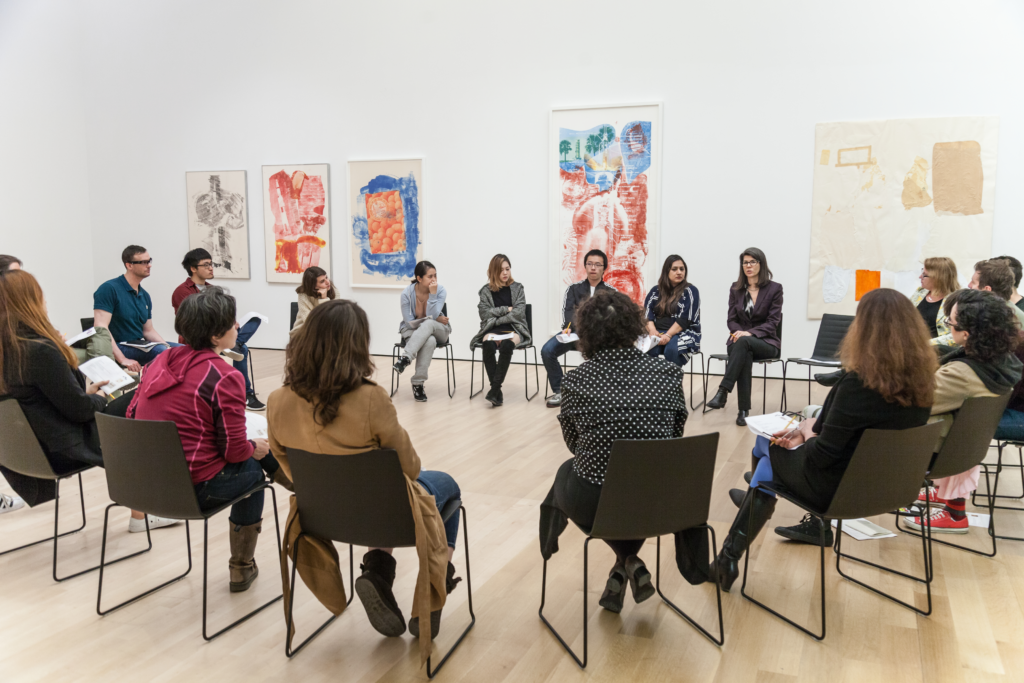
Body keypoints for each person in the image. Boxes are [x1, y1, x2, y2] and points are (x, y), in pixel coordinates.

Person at [267, 299, 463, 655]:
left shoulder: (277, 400)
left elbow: (287, 467)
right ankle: (433, 589)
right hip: (388, 516)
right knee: (446, 486)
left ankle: (377, 571)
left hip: (321, 519)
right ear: (357, 344)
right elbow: (411, 469)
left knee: (374, 490)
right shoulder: (370, 399)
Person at [715, 289, 935, 579]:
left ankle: (729, 556)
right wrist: (809, 432)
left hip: (838, 490)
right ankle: (744, 526)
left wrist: (806, 431)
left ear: (863, 329)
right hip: (890, 487)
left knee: (768, 446)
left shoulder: (856, 385)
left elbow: (821, 456)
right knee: (778, 446)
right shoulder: (924, 383)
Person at [127, 287, 292, 592]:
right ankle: (241, 567)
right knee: (254, 469)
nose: (238, 327)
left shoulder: (154, 365)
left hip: (144, 487)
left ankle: (302, 487)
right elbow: (233, 451)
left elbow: (131, 414)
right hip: (193, 491)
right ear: (216, 336)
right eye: (232, 322)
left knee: (255, 451)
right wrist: (253, 448)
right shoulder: (225, 376)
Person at [539, 290, 688, 613]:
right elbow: (675, 438)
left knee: (570, 470)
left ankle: (624, 561)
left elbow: (576, 447)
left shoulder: (576, 381)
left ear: (587, 335)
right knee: (636, 480)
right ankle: (628, 562)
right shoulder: (668, 374)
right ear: (634, 328)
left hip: (598, 503)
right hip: (660, 501)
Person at [0, 270, 174, 531]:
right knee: (136, 402)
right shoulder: (40, 351)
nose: (45, 302)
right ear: (30, 301)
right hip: (62, 449)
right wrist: (101, 396)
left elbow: (37, 401)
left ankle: (145, 507)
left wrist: (85, 394)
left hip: (25, 453)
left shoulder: (10, 348)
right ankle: (144, 512)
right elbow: (81, 411)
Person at [903, 290, 1022, 533]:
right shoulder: (1002, 361)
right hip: (965, 449)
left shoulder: (963, 373)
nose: (948, 326)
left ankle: (953, 514)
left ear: (966, 333)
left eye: (950, 323)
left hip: (939, 452)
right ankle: (949, 500)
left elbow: (915, 405)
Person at [172, 248, 264, 410]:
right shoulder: (182, 291)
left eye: (211, 264)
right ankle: (246, 393)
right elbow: (193, 321)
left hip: (219, 334)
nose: (211, 268)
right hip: (199, 339)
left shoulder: (213, 289)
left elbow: (221, 314)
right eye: (206, 265)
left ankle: (236, 343)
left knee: (255, 320)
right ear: (193, 268)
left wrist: (231, 322)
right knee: (242, 349)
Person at [706, 248, 783, 426]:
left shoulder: (774, 289)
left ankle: (723, 391)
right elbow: (731, 320)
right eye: (745, 263)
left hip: (766, 342)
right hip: (740, 342)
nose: (748, 266)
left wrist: (749, 333)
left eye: (752, 262)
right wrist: (740, 333)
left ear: (761, 264)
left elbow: (773, 322)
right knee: (744, 350)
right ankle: (743, 412)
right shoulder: (736, 288)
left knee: (744, 342)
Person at [543, 249, 616, 408]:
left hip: (598, 338)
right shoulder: (574, 289)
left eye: (598, 264)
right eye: (590, 264)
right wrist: (574, 327)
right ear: (585, 266)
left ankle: (600, 393)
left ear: (604, 268)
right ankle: (561, 391)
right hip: (573, 334)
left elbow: (609, 318)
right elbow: (568, 312)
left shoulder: (611, 292)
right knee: (547, 350)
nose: (593, 268)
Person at [93, 245, 180, 373]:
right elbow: (101, 328)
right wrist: (122, 359)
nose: (149, 265)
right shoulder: (109, 289)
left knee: (184, 350)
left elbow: (148, 331)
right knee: (161, 351)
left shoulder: (144, 295)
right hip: (120, 346)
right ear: (129, 265)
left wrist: (168, 347)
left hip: (140, 344)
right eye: (144, 262)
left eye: (149, 261)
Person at [469, 254, 532, 407]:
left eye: (507, 269)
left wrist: (497, 317)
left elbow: (518, 313)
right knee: (488, 346)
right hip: (492, 330)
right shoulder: (485, 291)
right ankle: (496, 393)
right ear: (493, 271)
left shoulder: (518, 288)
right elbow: (484, 313)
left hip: (514, 328)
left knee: (507, 346)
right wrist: (506, 310)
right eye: (501, 270)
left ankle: (495, 389)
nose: (505, 273)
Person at [393, 261, 451, 402]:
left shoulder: (440, 290)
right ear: (419, 278)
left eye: (435, 276)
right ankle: (418, 384)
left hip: (440, 331)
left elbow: (432, 314)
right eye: (430, 276)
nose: (434, 280)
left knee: (430, 323)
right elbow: (409, 322)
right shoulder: (406, 294)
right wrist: (433, 319)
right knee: (429, 340)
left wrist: (432, 295)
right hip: (412, 331)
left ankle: (406, 358)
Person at [643, 254, 701, 368]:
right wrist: (652, 330)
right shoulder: (655, 291)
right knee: (647, 350)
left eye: (682, 269)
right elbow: (646, 313)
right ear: (666, 271)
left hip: (683, 332)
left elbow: (685, 320)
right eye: (674, 269)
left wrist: (668, 335)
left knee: (672, 350)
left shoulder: (690, 291)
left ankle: (672, 383)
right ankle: (653, 382)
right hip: (658, 332)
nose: (679, 272)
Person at [909, 257, 959, 340]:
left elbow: (956, 337)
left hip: (939, 350)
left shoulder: (957, 300)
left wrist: (927, 344)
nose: (920, 277)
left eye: (924, 274)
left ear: (938, 278)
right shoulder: (920, 293)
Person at [968, 258, 1024, 329]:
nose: (969, 285)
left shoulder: (996, 321)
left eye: (973, 282)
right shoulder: (1004, 309)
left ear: (987, 290)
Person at [290, 266, 337, 335]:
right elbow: (309, 321)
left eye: (326, 277)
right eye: (322, 281)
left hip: (326, 330)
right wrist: (323, 299)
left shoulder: (334, 291)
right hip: (303, 331)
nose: (327, 282)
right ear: (313, 286)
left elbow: (331, 318)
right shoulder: (303, 294)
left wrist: (324, 298)